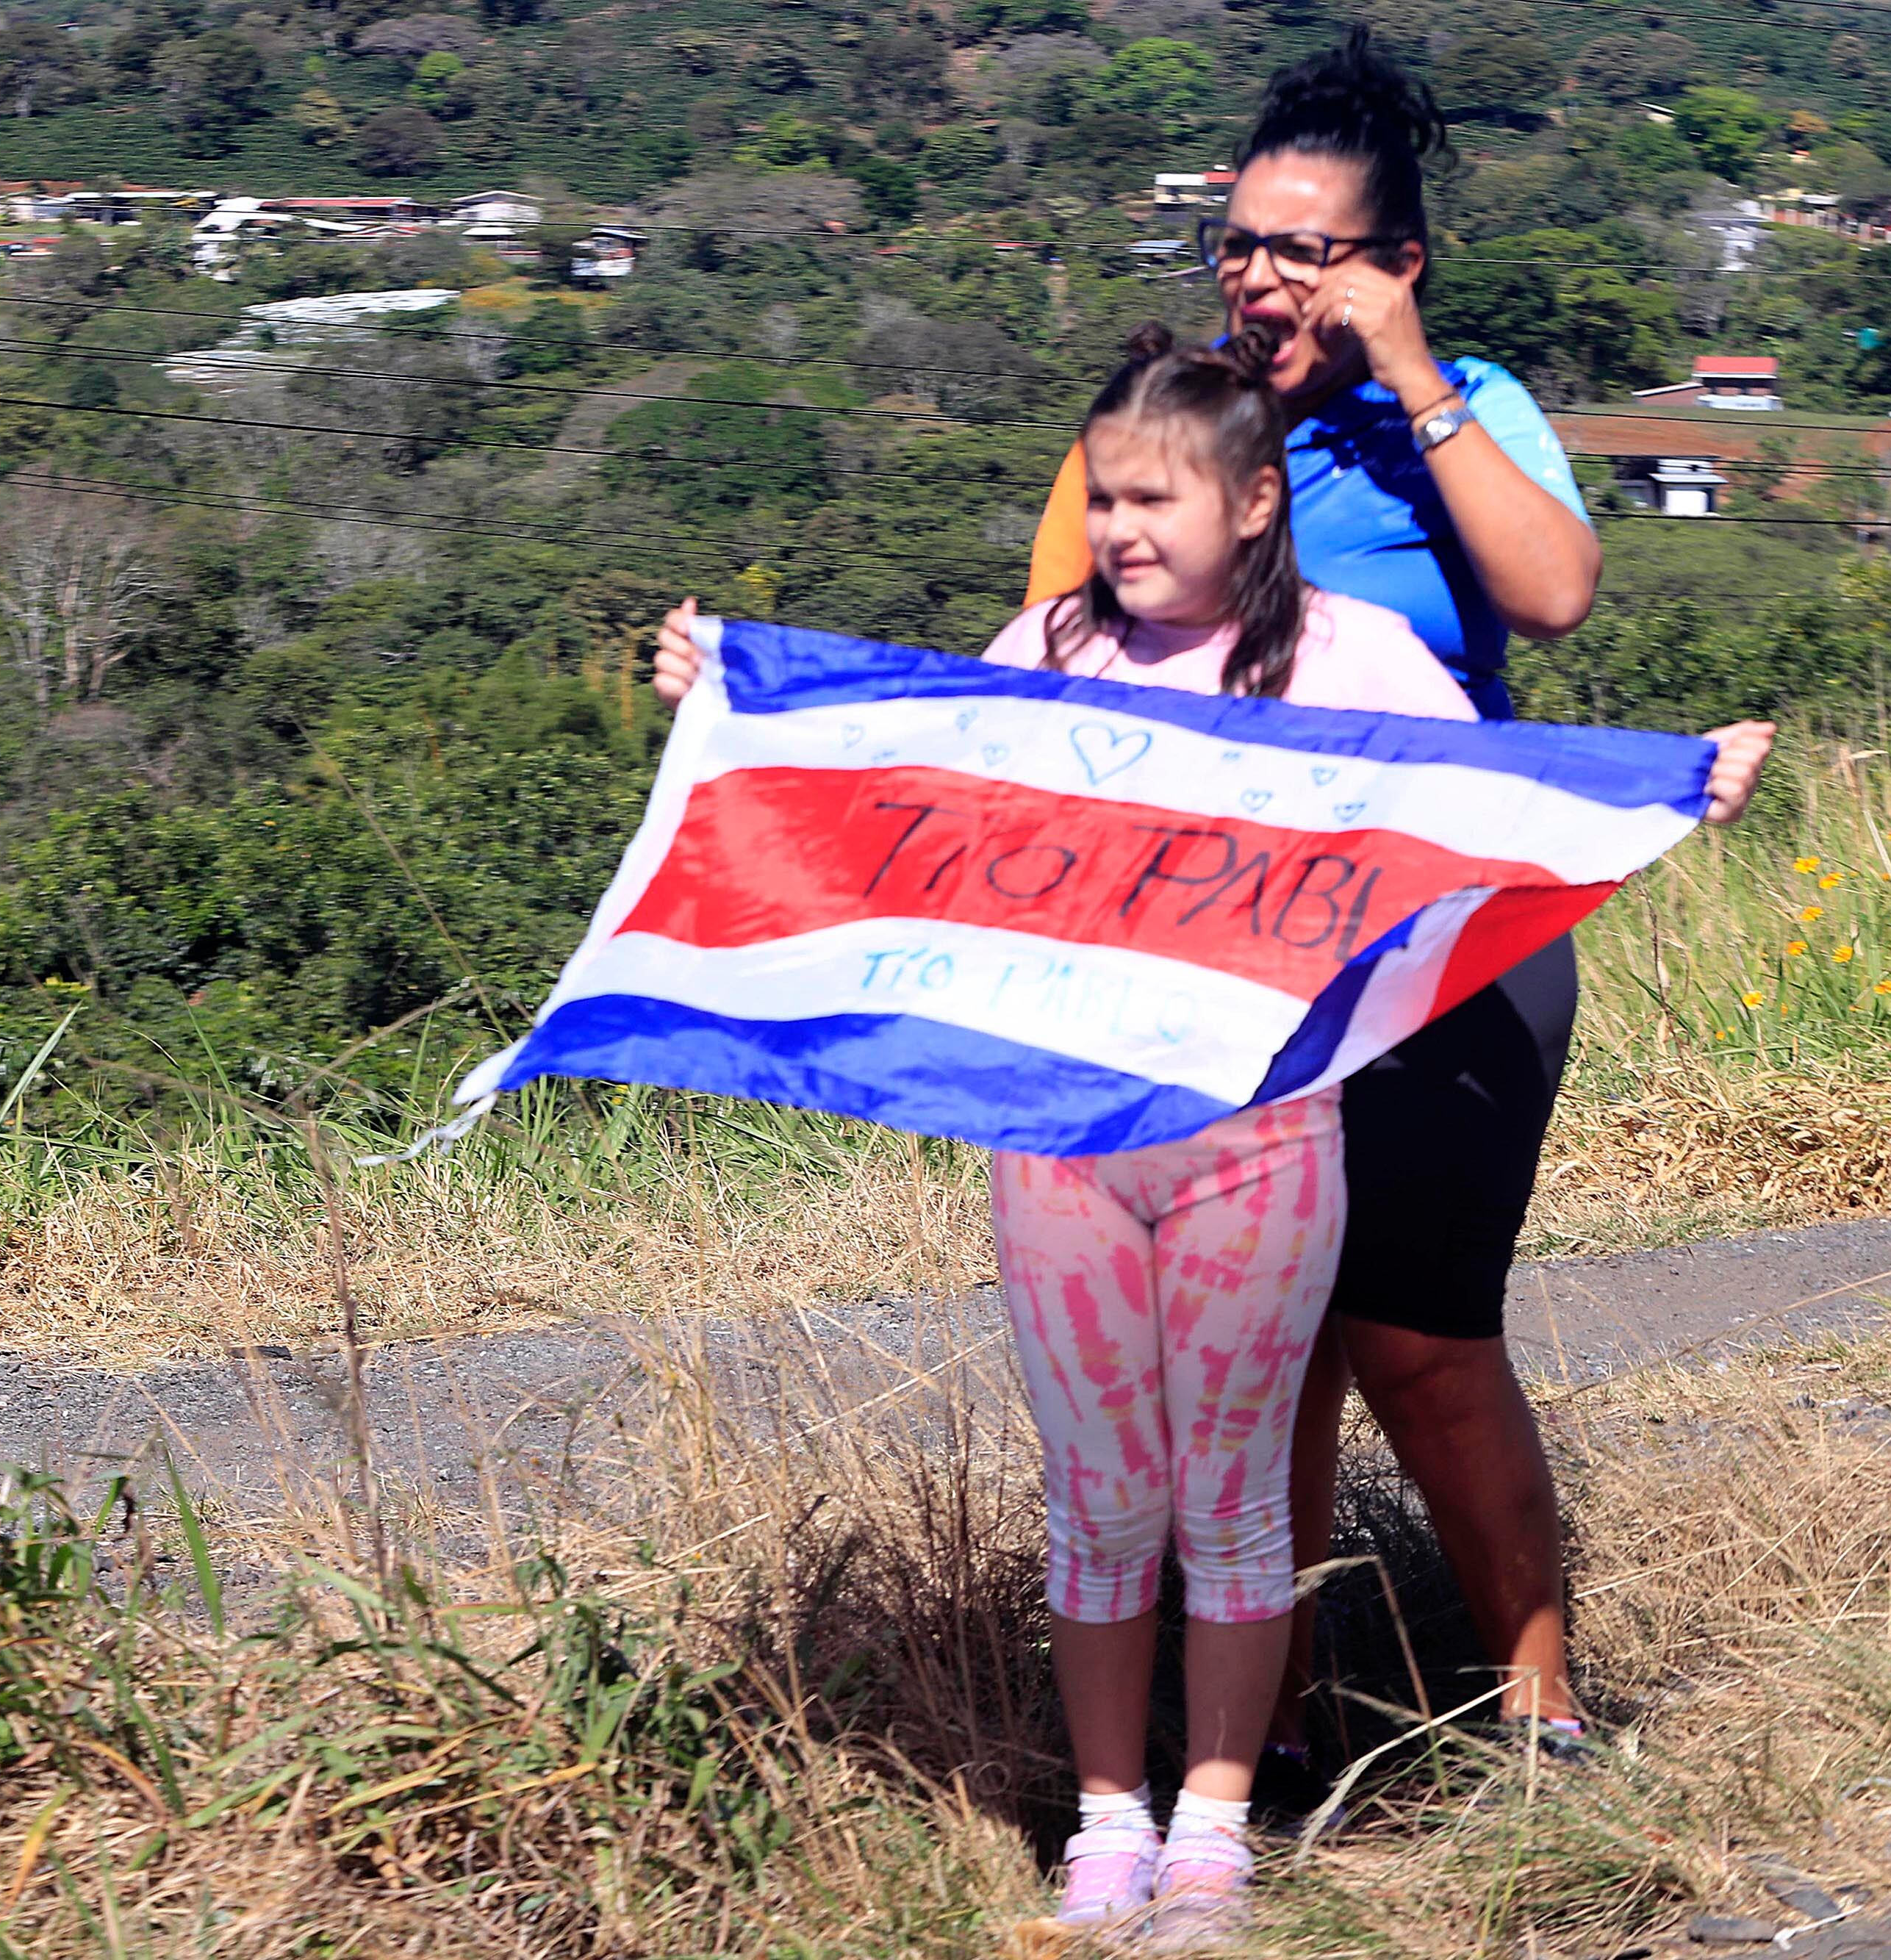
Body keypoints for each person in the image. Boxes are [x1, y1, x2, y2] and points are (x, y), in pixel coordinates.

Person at [657, 316, 1491, 1948]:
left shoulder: (1350, 656)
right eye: (1102, 495)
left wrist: (1674, 783)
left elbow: (1489, 806)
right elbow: (912, 789)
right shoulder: (1045, 645)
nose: (1117, 530)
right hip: (1060, 1144)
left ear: (1253, 504)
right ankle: (1107, 1817)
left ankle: (1216, 1820)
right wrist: (736, 699)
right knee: (1104, 1493)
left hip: (1261, 1141)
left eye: (1153, 500)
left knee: (1234, 1493)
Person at [1022, 30, 1776, 1801]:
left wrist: (1409, 375)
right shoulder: (1160, 428)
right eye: (1239, 243)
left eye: (1303, 250)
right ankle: (1266, 1721)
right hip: (1224, 950)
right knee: (1255, 1346)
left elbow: (1557, 593)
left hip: (1452, 944)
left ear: (1389, 262)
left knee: (1420, 1339)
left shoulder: (1467, 403)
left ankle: (1534, 1690)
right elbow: (1045, 671)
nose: (1258, 277)